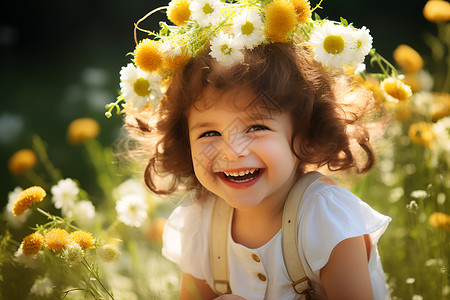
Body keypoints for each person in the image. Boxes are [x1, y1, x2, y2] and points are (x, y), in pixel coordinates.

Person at [117, 1, 394, 299]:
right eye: (209, 132)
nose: (232, 150)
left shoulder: (323, 219)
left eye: (256, 127)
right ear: (184, 141)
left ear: (304, 133)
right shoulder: (201, 225)